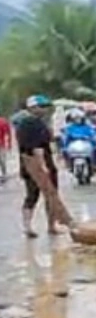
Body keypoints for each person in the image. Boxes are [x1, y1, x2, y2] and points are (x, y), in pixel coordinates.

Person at [13, 95, 61, 237]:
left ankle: (29, 226)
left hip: (28, 165)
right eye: (42, 107)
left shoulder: (25, 123)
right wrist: (43, 167)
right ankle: (51, 226)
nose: (44, 110)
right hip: (39, 165)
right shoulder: (33, 124)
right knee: (50, 195)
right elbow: (36, 148)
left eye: (45, 107)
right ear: (32, 108)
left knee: (32, 196)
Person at [0, 112, 11, 182]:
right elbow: (8, 133)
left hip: (1, 144)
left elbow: (8, 133)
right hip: (1, 144)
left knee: (2, 160)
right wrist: (9, 144)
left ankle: (4, 174)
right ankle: (4, 174)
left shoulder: (2, 121)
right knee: (2, 160)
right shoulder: (3, 121)